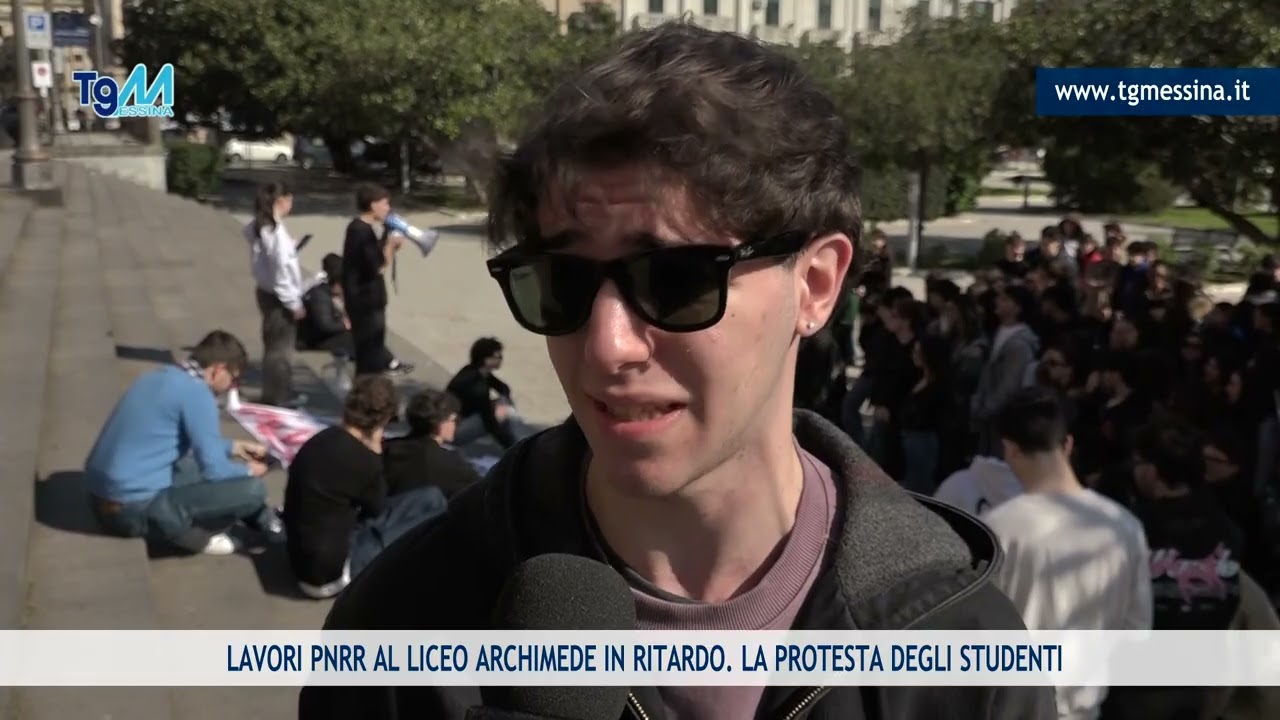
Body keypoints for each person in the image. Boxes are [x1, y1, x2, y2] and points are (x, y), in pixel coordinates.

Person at [301, 23, 1052, 720]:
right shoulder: (403, 629)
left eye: (676, 279)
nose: (607, 346)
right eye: (559, 282)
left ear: (816, 286)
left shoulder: (961, 652)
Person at [982, 387, 1152, 720]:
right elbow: (1137, 631)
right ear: (1068, 444)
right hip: (1085, 707)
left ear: (1010, 449)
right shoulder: (1125, 527)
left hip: (1013, 706)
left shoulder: (997, 529)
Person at [85, 331, 282, 556]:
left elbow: (183, 446)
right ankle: (199, 536)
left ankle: (264, 520)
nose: (231, 387)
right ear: (219, 370)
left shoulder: (157, 377)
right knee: (252, 489)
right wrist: (251, 470)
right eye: (233, 379)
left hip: (99, 499)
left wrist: (234, 447)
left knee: (189, 464)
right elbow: (215, 470)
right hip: (131, 513)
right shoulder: (199, 395)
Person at [283, 375, 446, 599]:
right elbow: (377, 509)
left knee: (432, 496)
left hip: (302, 559)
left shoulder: (320, 440)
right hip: (329, 575)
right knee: (434, 518)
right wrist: (376, 451)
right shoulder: (365, 460)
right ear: (383, 419)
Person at [244, 181, 306, 408]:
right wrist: (294, 304)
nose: (292, 204)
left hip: (265, 292)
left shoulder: (261, 226)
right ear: (281, 201)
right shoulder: (275, 233)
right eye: (290, 199)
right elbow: (282, 275)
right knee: (280, 350)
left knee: (272, 346)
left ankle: (277, 391)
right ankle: (278, 397)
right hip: (279, 299)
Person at [341, 183, 413, 377]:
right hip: (366, 306)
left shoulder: (359, 229)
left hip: (363, 304)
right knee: (370, 359)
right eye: (385, 204)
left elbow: (371, 256)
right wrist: (391, 246)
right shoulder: (361, 232)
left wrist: (386, 235)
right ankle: (367, 397)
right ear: (373, 205)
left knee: (370, 355)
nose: (388, 208)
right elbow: (377, 267)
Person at [382, 388, 481, 499]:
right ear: (439, 424)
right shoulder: (452, 463)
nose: (456, 424)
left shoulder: (388, 447)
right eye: (453, 419)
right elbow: (478, 492)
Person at [445, 337, 534, 450]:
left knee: (502, 406)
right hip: (453, 433)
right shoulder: (477, 385)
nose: (501, 359)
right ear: (486, 360)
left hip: (459, 420)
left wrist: (502, 400)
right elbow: (489, 421)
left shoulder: (475, 371)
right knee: (504, 412)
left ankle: (519, 442)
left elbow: (503, 387)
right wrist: (508, 444)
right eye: (498, 357)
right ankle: (519, 447)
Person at [297, 253, 352, 355]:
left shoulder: (325, 290)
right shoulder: (320, 295)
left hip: (319, 335)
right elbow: (325, 325)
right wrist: (344, 325)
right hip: (313, 339)